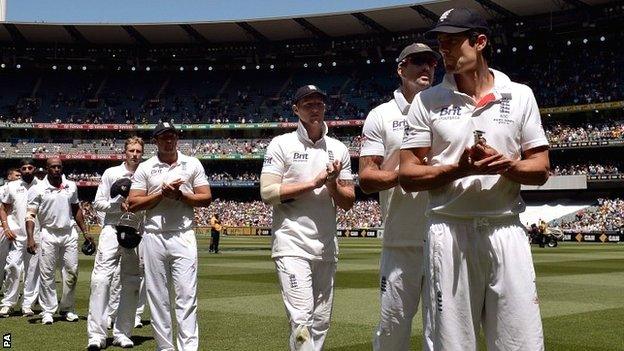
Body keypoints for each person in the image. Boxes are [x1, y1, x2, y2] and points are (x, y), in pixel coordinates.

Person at [399, 8, 550, 350]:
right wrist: (460, 169)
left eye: (452, 42)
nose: (445, 51)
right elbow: (408, 175)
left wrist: (506, 165)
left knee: (521, 342)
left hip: (506, 229)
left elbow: (540, 167)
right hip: (449, 229)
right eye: (441, 43)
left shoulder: (520, 94)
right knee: (451, 343)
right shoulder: (427, 100)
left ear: (479, 42)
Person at [260, 85, 355, 351]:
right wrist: (314, 183)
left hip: (325, 247)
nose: (315, 109)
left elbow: (348, 202)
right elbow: (267, 192)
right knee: (301, 318)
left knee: (321, 321)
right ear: (296, 110)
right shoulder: (282, 144)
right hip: (291, 244)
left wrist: (333, 184)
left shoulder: (338, 149)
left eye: (319, 104)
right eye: (308, 104)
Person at [359, 43, 439, 351]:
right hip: (399, 241)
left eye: (431, 63)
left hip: (442, 237)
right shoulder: (381, 115)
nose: (426, 68)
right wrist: (408, 174)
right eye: (418, 62)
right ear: (401, 69)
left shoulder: (445, 109)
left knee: (442, 332)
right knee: (393, 329)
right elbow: (366, 178)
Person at [128, 122, 212, 351]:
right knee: (157, 297)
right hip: (153, 235)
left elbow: (205, 198)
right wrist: (160, 194)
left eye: (172, 136)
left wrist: (180, 196)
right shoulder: (146, 167)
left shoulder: (191, 163)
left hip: (183, 234)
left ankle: (188, 348)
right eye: (164, 137)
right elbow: (133, 203)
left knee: (186, 296)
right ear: (156, 141)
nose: (169, 140)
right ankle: (165, 348)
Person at [87, 136, 145, 350]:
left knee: (131, 282)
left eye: (139, 151)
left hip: (136, 232)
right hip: (112, 230)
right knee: (101, 280)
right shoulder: (111, 173)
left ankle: (123, 333)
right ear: (125, 152)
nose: (135, 154)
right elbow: (97, 203)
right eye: (131, 150)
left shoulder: (146, 173)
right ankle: (96, 335)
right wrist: (116, 204)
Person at [26, 157, 95, 325]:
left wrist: (85, 231)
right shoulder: (38, 188)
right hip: (48, 233)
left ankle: (67, 308)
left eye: (59, 166)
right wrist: (30, 238)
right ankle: (48, 310)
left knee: (72, 272)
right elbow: (30, 215)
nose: (56, 169)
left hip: (69, 232)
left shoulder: (70, 185)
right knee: (47, 273)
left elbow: (76, 209)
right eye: (53, 167)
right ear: (47, 169)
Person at [0, 160, 41, 318]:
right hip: (17, 234)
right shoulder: (12, 186)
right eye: (24, 168)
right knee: (12, 267)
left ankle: (27, 304)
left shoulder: (41, 185)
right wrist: (6, 227)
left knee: (32, 271)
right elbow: (3, 208)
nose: (27, 170)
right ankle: (8, 303)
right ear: (20, 170)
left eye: (30, 168)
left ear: (34, 169)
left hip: (36, 235)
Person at [0, 168, 22, 300]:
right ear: (9, 176)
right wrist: (5, 226)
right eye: (17, 175)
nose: (19, 177)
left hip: (17, 229)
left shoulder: (22, 189)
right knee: (2, 261)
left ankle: (13, 291)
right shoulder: (2, 189)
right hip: (3, 228)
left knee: (15, 262)